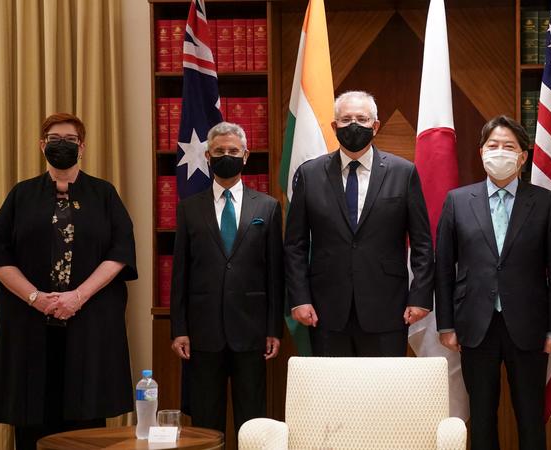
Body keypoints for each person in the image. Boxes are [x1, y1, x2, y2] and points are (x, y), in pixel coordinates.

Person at [0, 113, 138, 450]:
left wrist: (77, 297)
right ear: (42, 145)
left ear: (82, 146)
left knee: (86, 427)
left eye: (70, 140)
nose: (62, 145)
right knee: (33, 422)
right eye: (55, 139)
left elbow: (120, 252)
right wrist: (36, 298)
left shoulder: (104, 193)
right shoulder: (21, 195)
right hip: (29, 327)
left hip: (89, 327)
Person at [435, 115, 551, 450]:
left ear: (523, 156)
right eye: (493, 145)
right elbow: (443, 268)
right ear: (481, 152)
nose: (500, 152)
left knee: (529, 416)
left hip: (528, 326)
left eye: (509, 146)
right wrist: (446, 325)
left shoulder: (545, 202)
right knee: (481, 417)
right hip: (475, 326)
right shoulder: (457, 200)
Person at [284, 90, 434, 357]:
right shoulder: (309, 174)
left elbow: (422, 243)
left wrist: (420, 297)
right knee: (334, 395)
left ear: (375, 126)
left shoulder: (403, 172)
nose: (354, 125)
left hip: (387, 309)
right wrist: (300, 298)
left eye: (362, 119)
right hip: (325, 310)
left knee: (382, 395)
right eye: (346, 119)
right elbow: (295, 245)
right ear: (334, 126)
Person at [169, 122, 284, 435]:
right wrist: (179, 329)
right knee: (206, 420)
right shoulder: (189, 209)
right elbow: (180, 273)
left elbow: (275, 273)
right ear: (207, 156)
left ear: (245, 155)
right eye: (219, 151)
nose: (226, 156)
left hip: (252, 331)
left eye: (233, 151)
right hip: (203, 333)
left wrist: (274, 328)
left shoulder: (269, 207)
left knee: (253, 419)